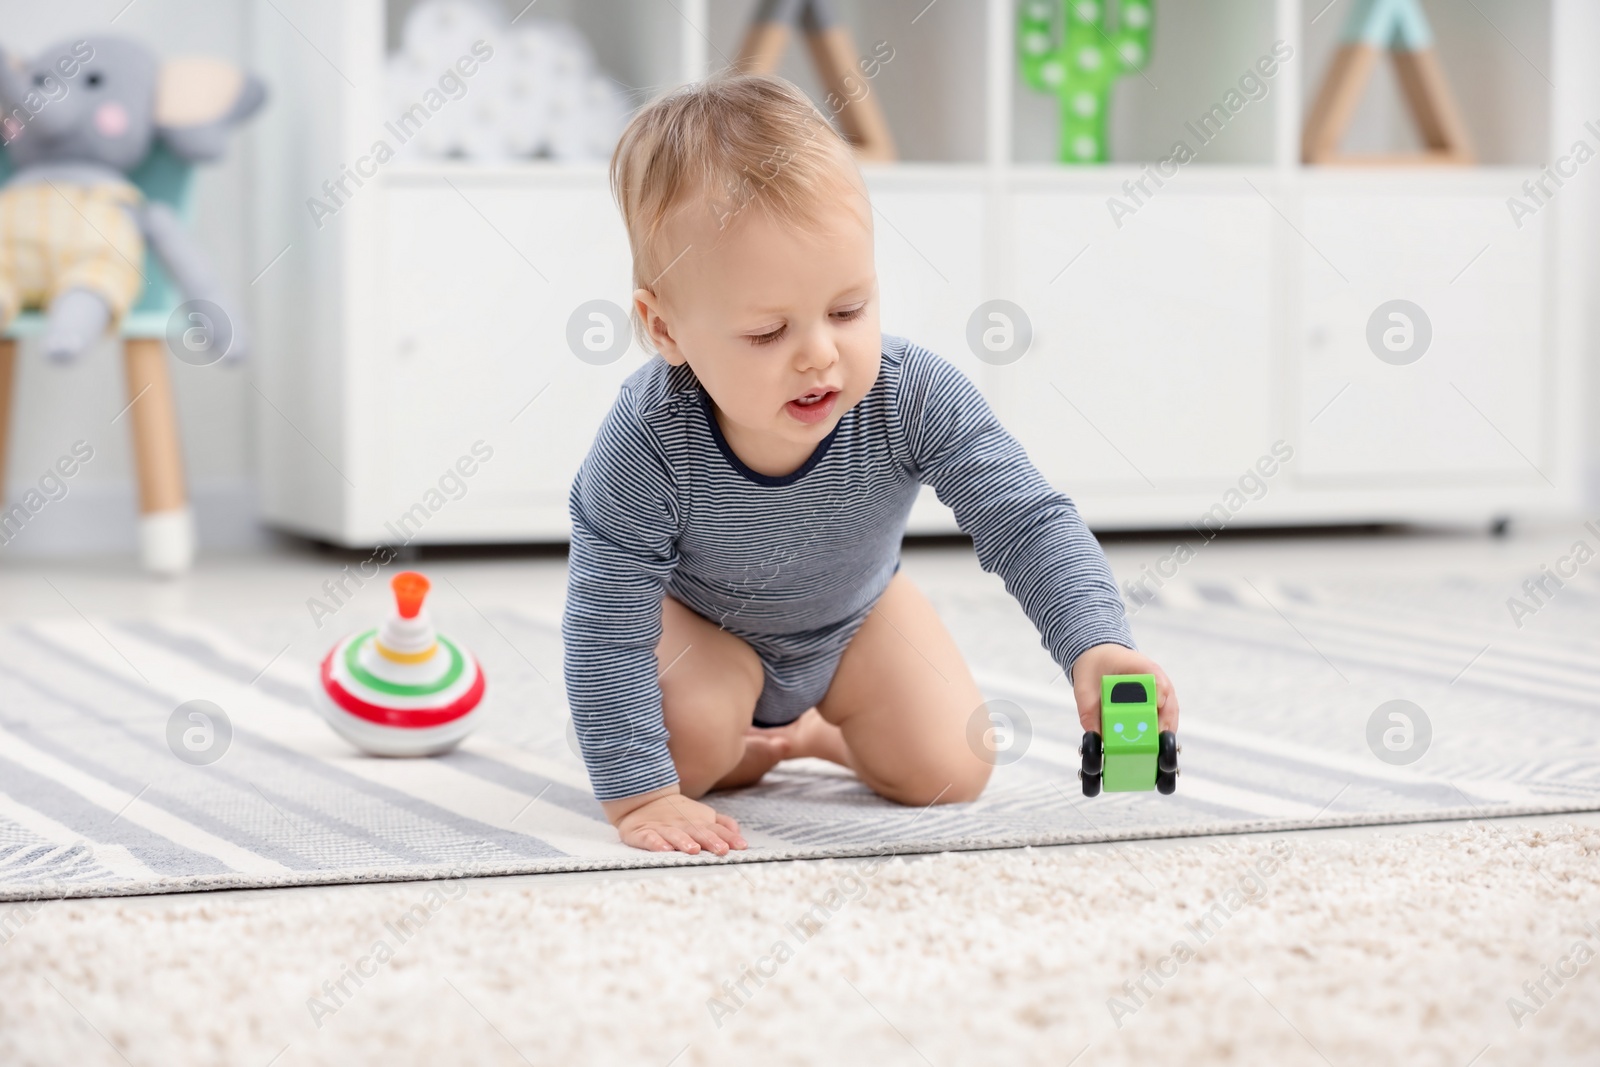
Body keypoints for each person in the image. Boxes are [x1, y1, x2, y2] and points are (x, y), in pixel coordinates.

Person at [562, 72, 1179, 856]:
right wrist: (642, 797)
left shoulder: (911, 395)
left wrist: (1098, 641)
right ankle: (737, 737)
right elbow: (604, 626)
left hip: (857, 619)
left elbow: (1025, 521)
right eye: (766, 332)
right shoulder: (646, 443)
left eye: (848, 310)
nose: (819, 353)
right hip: (709, 630)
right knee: (685, 754)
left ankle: (812, 734)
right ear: (666, 329)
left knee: (952, 766)